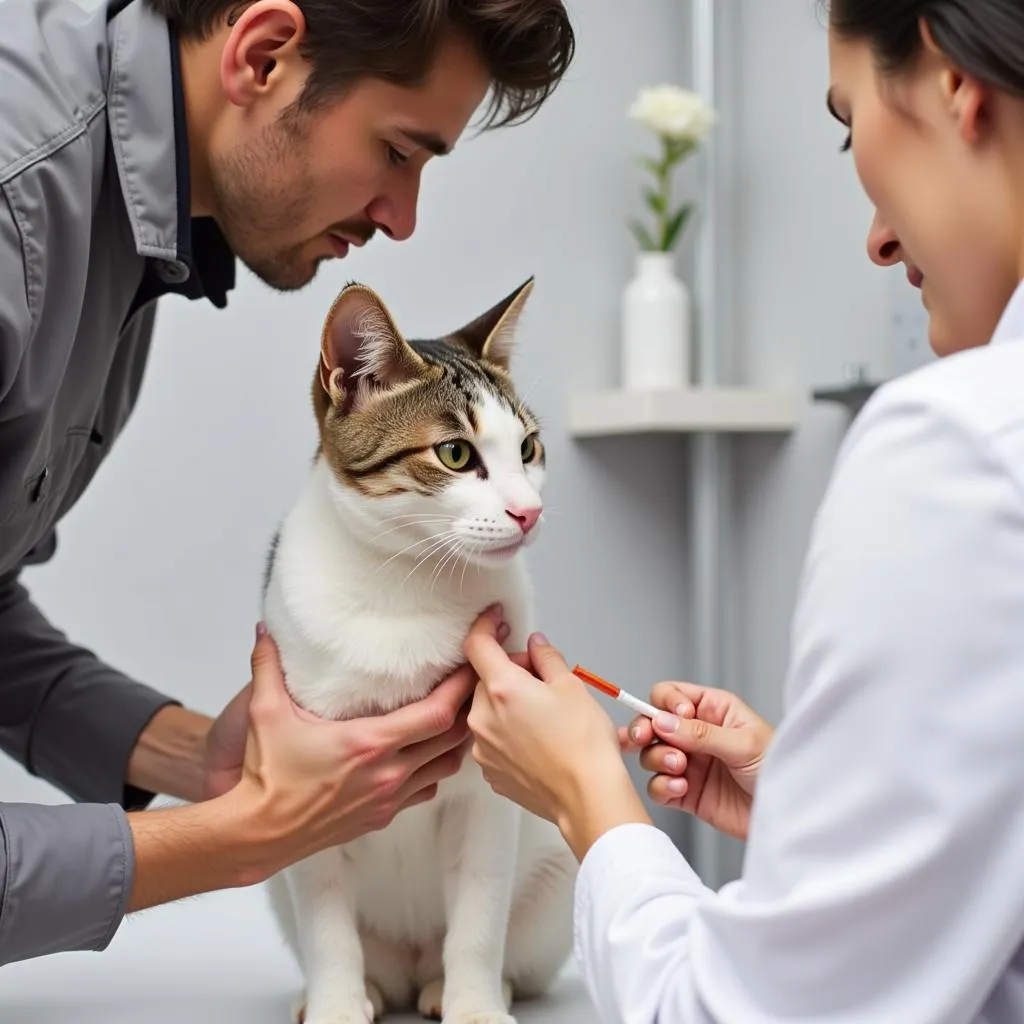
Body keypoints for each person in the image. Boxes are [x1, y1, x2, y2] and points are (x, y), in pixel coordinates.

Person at [463, 1, 1024, 1020]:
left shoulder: (963, 451)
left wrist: (588, 799)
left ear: (950, 81)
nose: (877, 238)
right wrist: (819, 804)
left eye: (849, 124)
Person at [0, 0, 574, 967]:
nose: (403, 218)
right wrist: (244, 836)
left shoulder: (130, 233)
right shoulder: (18, 212)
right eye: (399, 153)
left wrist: (201, 758)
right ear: (263, 56)